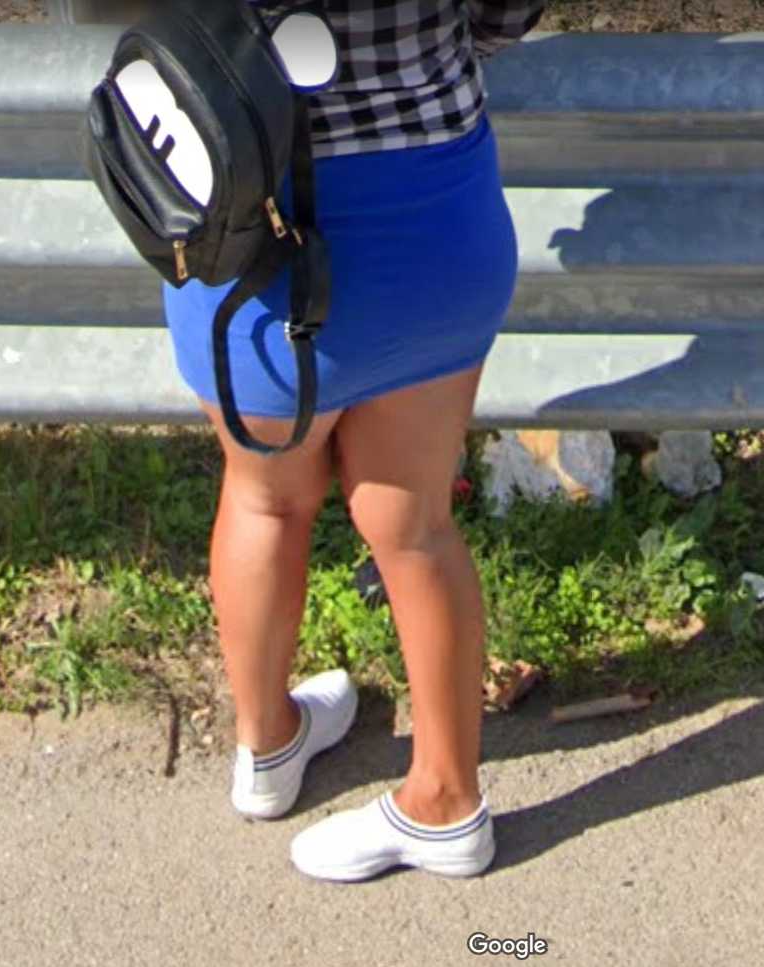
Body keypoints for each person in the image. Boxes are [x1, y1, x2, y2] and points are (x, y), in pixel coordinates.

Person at [162, 0, 547, 882]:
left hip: (245, 212)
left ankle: (268, 747)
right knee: (414, 526)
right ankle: (444, 801)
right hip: (429, 211)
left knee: (263, 499)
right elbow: (505, 13)